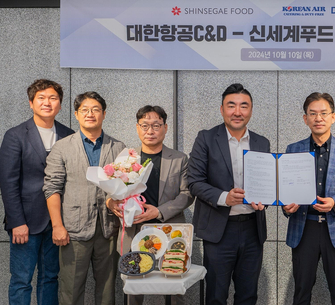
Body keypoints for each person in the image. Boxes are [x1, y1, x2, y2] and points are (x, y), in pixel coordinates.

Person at [187, 83, 269, 305]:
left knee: (248, 294)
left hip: (253, 228)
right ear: (222, 109)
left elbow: (266, 184)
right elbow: (194, 182)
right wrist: (225, 197)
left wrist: (265, 201)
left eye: (244, 106)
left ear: (251, 110)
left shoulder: (262, 142)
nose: (237, 111)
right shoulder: (205, 138)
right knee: (215, 294)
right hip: (219, 231)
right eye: (231, 105)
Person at [43, 91, 126, 305]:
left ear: (104, 114)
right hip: (73, 230)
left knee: (107, 290)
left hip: (109, 229)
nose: (90, 114)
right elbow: (52, 188)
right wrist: (57, 226)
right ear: (77, 114)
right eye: (85, 110)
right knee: (70, 290)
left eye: (96, 109)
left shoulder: (118, 148)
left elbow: (124, 186)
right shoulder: (62, 147)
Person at [283, 92, 335, 305]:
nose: (318, 118)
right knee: (301, 290)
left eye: (323, 113)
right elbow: (286, 189)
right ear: (305, 119)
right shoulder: (293, 150)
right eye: (313, 114)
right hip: (304, 227)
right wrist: (286, 206)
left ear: (333, 117)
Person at [106, 105, 193, 305]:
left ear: (165, 128)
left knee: (174, 283)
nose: (150, 131)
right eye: (145, 125)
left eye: (156, 125)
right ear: (137, 128)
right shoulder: (126, 158)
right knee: (134, 287)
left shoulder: (180, 159)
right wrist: (111, 203)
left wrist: (159, 211)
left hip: (169, 228)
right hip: (134, 229)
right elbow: (110, 191)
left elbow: (187, 194)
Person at [0, 79, 74, 305]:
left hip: (57, 222)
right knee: (21, 280)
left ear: (60, 105)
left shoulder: (68, 134)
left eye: (53, 98)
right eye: (41, 98)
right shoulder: (15, 135)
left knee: (50, 278)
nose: (47, 103)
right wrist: (16, 222)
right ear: (31, 103)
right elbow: (8, 183)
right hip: (26, 223)